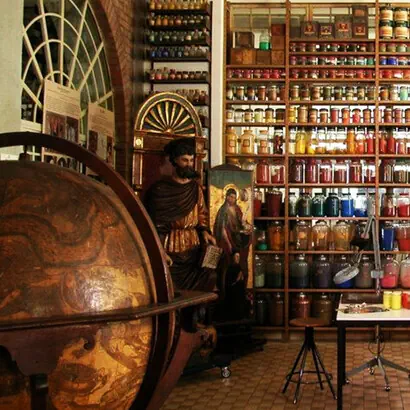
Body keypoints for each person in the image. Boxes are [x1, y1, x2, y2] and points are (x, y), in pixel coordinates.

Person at [145, 138, 216, 291]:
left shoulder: (195, 189)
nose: (188, 164)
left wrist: (204, 231)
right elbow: (154, 225)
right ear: (174, 161)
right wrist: (160, 251)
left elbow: (202, 214)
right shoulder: (160, 190)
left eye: (191, 160)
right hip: (170, 248)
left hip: (194, 248)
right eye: (184, 160)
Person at [213, 188, 252, 286]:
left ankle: (242, 285)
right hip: (227, 240)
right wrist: (228, 244)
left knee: (242, 262)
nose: (232, 199)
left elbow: (242, 222)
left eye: (234, 197)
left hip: (238, 239)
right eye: (231, 197)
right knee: (228, 263)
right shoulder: (223, 211)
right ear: (226, 197)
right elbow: (221, 229)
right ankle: (226, 287)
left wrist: (247, 227)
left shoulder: (237, 209)